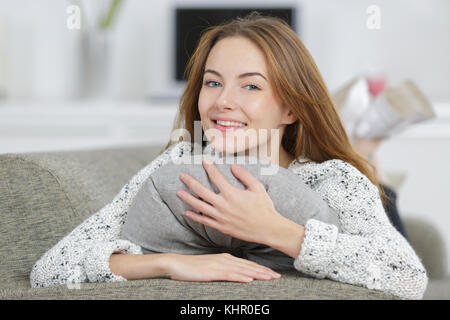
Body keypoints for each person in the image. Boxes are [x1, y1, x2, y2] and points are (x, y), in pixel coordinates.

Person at [30, 12, 427, 299]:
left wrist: (273, 229)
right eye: (213, 82)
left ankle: (369, 155)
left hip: (351, 190)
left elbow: (407, 277)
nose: (222, 102)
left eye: (251, 87)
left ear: (290, 109)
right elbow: (50, 269)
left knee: (377, 191)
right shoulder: (182, 160)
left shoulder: (332, 179)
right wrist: (169, 263)